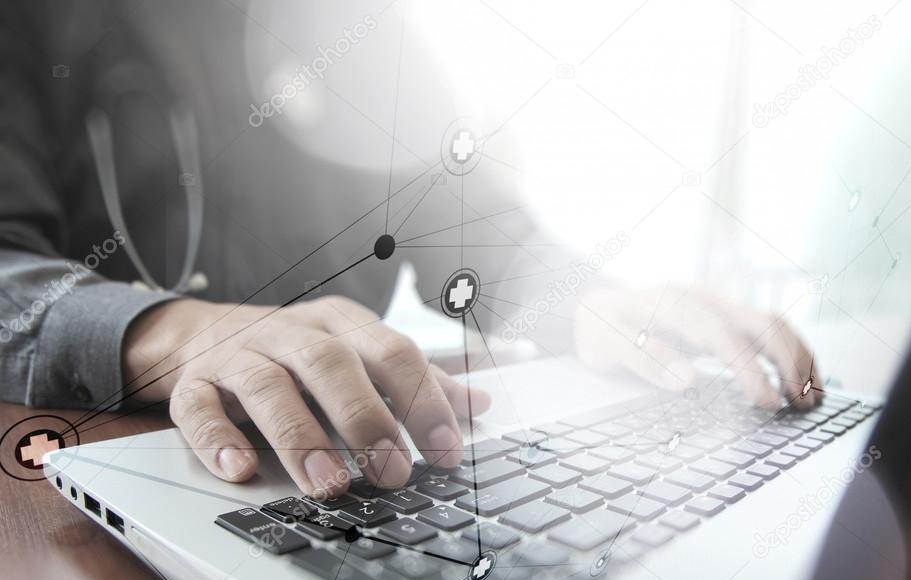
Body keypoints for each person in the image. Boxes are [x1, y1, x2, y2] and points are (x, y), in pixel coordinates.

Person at [0, 1, 817, 500]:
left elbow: (469, 225)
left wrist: (587, 298)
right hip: (96, 465)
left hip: (369, 468)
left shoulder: (365, 29)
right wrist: (175, 331)